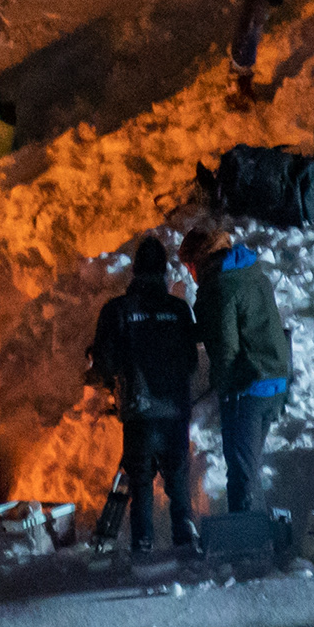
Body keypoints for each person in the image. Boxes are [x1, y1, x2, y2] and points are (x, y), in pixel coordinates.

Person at [88, 233, 204, 556]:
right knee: (178, 480)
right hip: (175, 410)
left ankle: (143, 545)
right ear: (165, 273)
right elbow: (192, 362)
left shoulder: (118, 310)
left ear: (135, 271)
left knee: (140, 483)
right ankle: (184, 538)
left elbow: (104, 362)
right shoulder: (179, 310)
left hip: (139, 413)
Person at [190, 221, 291, 513]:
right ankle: (258, 531)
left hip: (247, 387)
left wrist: (223, 383)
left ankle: (245, 541)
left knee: (241, 471)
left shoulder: (219, 287)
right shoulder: (251, 274)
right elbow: (244, 323)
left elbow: (226, 345)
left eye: (190, 266)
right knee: (250, 466)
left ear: (199, 260)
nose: (191, 275)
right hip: (274, 380)